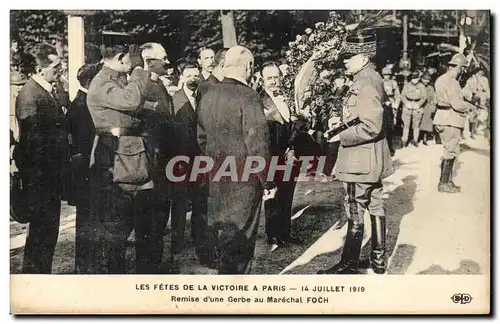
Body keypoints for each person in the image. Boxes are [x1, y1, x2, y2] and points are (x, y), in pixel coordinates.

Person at [87, 43, 169, 274]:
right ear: (122, 58)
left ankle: (145, 274)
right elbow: (130, 101)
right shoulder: (102, 82)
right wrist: (141, 70)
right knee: (118, 231)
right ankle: (118, 282)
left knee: (146, 224)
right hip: (120, 163)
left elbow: (134, 106)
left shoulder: (116, 80)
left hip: (134, 161)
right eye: (130, 60)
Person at [317, 31, 394, 275]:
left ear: (362, 58)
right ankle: (378, 262)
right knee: (375, 205)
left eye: (348, 58)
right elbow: (362, 118)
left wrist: (341, 136)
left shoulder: (364, 83)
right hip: (372, 159)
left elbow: (371, 126)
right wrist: (340, 124)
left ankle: (349, 263)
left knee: (354, 208)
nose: (344, 62)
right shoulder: (371, 78)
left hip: (359, 161)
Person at [197, 45, 276, 274]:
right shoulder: (248, 96)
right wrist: (267, 181)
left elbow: (201, 138)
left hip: (216, 176)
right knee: (241, 241)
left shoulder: (208, 92)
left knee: (223, 236)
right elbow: (258, 145)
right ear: (249, 66)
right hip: (244, 181)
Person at [14, 43, 68, 274]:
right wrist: (40, 177)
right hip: (41, 177)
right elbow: (30, 143)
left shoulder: (45, 91)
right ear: (39, 68)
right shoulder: (30, 94)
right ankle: (34, 279)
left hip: (49, 175)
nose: (60, 68)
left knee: (47, 231)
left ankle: (40, 276)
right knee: (41, 233)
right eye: (55, 65)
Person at [259, 61, 303, 251]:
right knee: (272, 195)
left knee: (288, 193)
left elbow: (295, 125)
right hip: (273, 155)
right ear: (262, 80)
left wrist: (293, 146)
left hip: (290, 155)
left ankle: (285, 232)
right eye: (269, 78)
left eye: (276, 77)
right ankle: (273, 235)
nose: (274, 81)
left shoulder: (288, 99)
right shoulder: (259, 101)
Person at [171, 62, 209, 270]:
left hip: (200, 159)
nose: (194, 78)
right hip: (180, 159)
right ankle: (177, 241)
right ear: (182, 76)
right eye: (189, 75)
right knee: (179, 202)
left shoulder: (203, 98)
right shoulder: (175, 99)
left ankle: (198, 238)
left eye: (196, 75)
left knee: (200, 200)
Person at [67, 63, 101, 274]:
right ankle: (85, 264)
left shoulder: (82, 102)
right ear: (90, 82)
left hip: (87, 170)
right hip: (85, 172)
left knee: (90, 217)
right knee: (86, 218)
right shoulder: (81, 105)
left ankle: (88, 262)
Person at [433, 53, 472, 194]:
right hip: (450, 119)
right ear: (460, 67)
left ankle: (447, 181)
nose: (463, 71)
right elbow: (456, 104)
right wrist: (469, 107)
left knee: (448, 150)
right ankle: (443, 184)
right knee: (450, 151)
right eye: (463, 68)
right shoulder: (452, 82)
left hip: (442, 118)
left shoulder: (441, 79)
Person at [401, 71, 427, 147]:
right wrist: (406, 103)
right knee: (406, 124)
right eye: (413, 78)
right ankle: (404, 141)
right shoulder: (407, 85)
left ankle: (415, 140)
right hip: (408, 106)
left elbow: (424, 97)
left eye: (416, 78)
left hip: (417, 106)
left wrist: (418, 104)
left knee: (416, 124)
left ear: (419, 78)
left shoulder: (421, 86)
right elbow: (402, 95)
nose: (414, 80)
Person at [463, 67, 490, 138]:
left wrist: (487, 97)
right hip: (472, 100)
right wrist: (472, 96)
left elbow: (487, 91)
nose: (481, 72)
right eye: (479, 71)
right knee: (470, 116)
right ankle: (470, 133)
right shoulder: (471, 80)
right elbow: (467, 90)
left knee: (483, 114)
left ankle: (476, 130)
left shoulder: (484, 79)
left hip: (482, 100)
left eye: (481, 71)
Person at [381, 66, 400, 156]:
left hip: (391, 104)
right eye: (385, 75)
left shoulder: (393, 83)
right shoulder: (380, 82)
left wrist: (396, 105)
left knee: (390, 127)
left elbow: (397, 95)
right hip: (382, 105)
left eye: (388, 75)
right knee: (382, 127)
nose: (387, 76)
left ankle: (390, 147)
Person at [419, 73, 437, 145]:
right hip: (419, 106)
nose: (426, 81)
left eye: (428, 80)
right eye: (425, 79)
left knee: (426, 123)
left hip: (427, 106)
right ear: (421, 79)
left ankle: (424, 138)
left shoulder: (430, 88)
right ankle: (416, 137)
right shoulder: (419, 86)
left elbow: (432, 98)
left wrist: (432, 106)